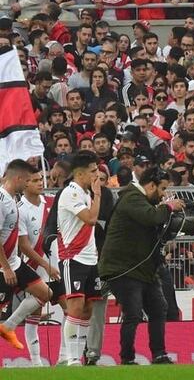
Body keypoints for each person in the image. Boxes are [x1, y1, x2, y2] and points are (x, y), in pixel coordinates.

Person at [98, 167, 184, 365]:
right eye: (162, 189)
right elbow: (151, 217)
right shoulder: (132, 198)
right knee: (133, 313)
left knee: (159, 308)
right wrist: (169, 207)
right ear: (151, 185)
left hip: (143, 268)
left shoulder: (141, 200)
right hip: (123, 268)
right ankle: (127, 357)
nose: (164, 195)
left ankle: (159, 354)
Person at [56, 152, 105, 366]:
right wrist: (98, 195)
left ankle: (79, 357)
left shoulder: (85, 193)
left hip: (90, 259)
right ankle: (71, 358)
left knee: (87, 309)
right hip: (73, 257)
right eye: (93, 171)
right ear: (80, 174)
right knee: (75, 307)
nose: (97, 175)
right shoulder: (71, 193)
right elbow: (91, 219)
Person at [0, 160, 53, 353]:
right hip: (3, 266)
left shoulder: (11, 198)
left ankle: (9, 326)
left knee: (45, 293)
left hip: (14, 262)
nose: (27, 184)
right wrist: (6, 268)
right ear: (18, 179)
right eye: (27, 180)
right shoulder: (2, 201)